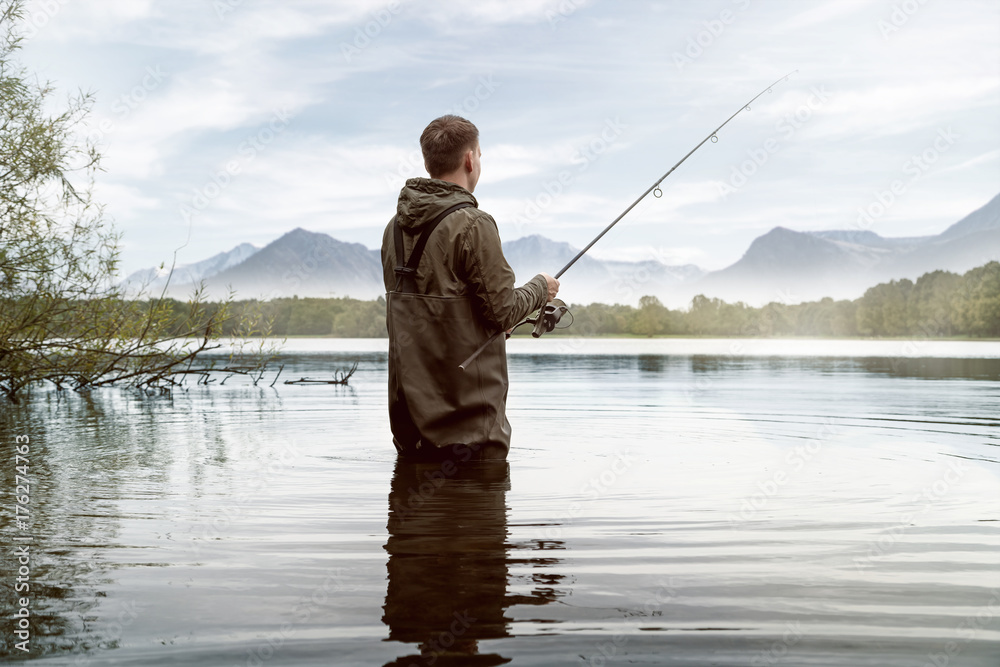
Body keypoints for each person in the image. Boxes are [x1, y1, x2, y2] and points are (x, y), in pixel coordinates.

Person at [381, 115, 559, 461]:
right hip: (470, 434)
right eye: (480, 154)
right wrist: (542, 287)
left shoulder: (394, 229)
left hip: (410, 431)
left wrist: (487, 324)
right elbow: (503, 310)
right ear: (469, 159)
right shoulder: (474, 224)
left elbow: (440, 311)